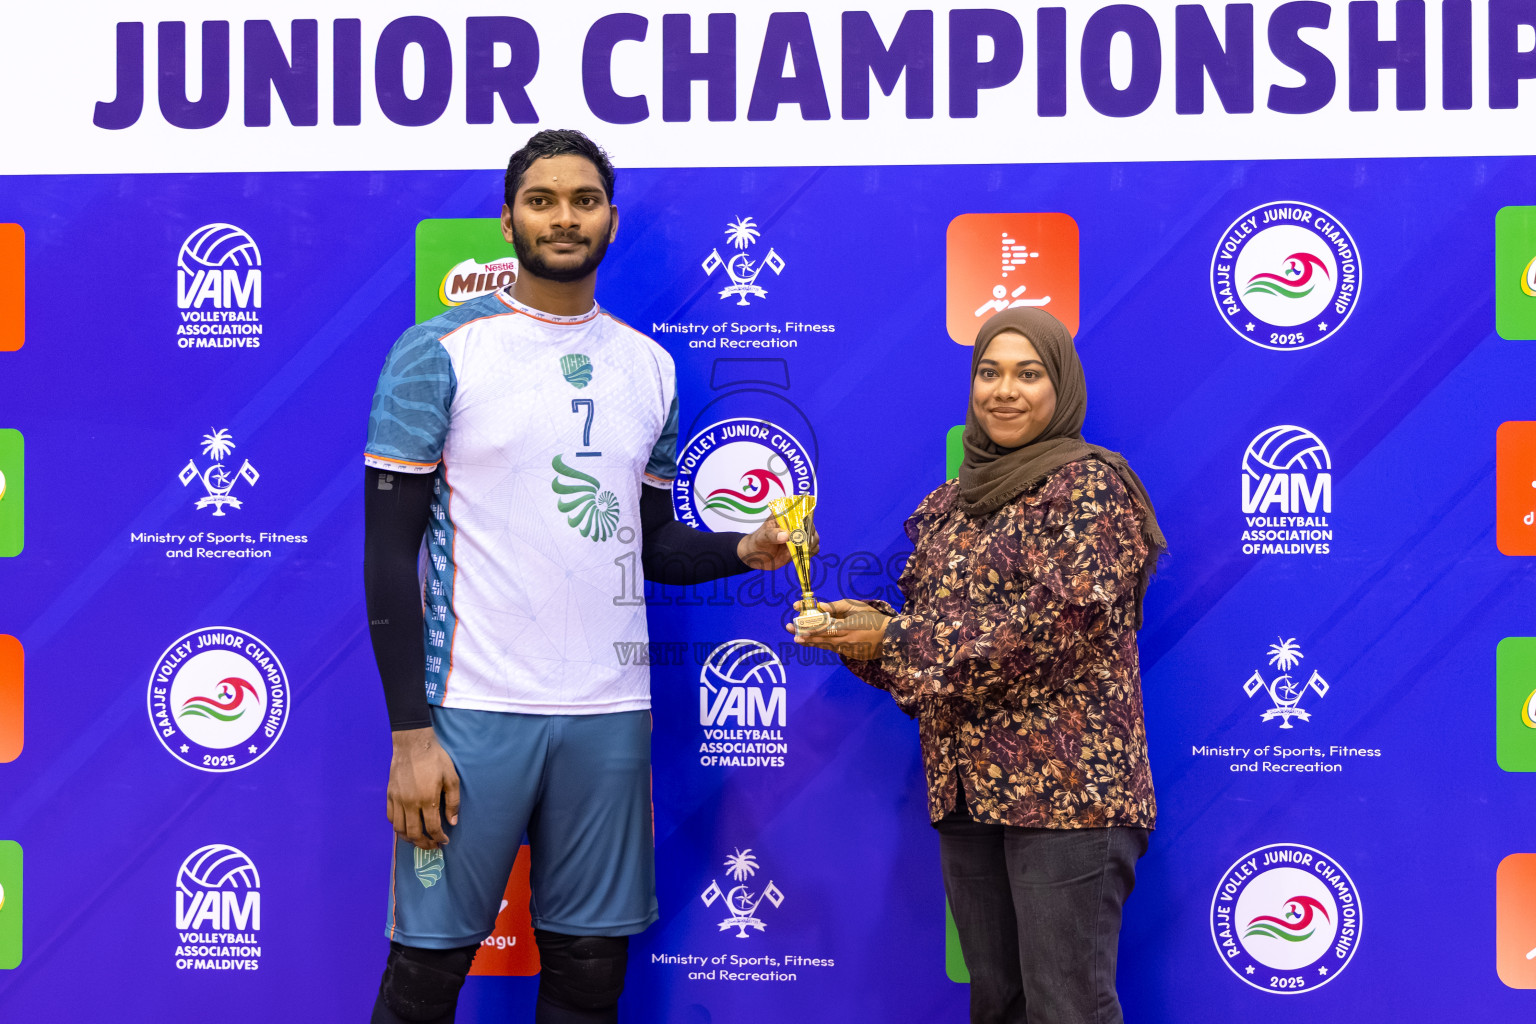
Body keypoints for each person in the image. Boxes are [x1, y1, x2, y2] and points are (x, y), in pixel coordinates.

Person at [362, 129, 800, 1024]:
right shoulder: (437, 352)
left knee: (590, 979)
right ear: (510, 217)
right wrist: (412, 737)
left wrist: (740, 548)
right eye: (543, 199)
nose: (565, 217)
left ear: (609, 216)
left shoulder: (651, 366)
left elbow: (650, 545)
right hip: (471, 711)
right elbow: (385, 553)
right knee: (424, 982)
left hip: (608, 714)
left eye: (584, 200)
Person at [793, 307, 1164, 1024]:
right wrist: (863, 634)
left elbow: (1051, 633)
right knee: (998, 1007)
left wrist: (897, 644)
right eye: (990, 372)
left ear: (1062, 385)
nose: (1005, 391)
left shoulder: (1089, 488)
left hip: (1068, 800)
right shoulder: (951, 506)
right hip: (969, 793)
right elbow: (934, 656)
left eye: (1029, 374)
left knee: (1068, 1009)